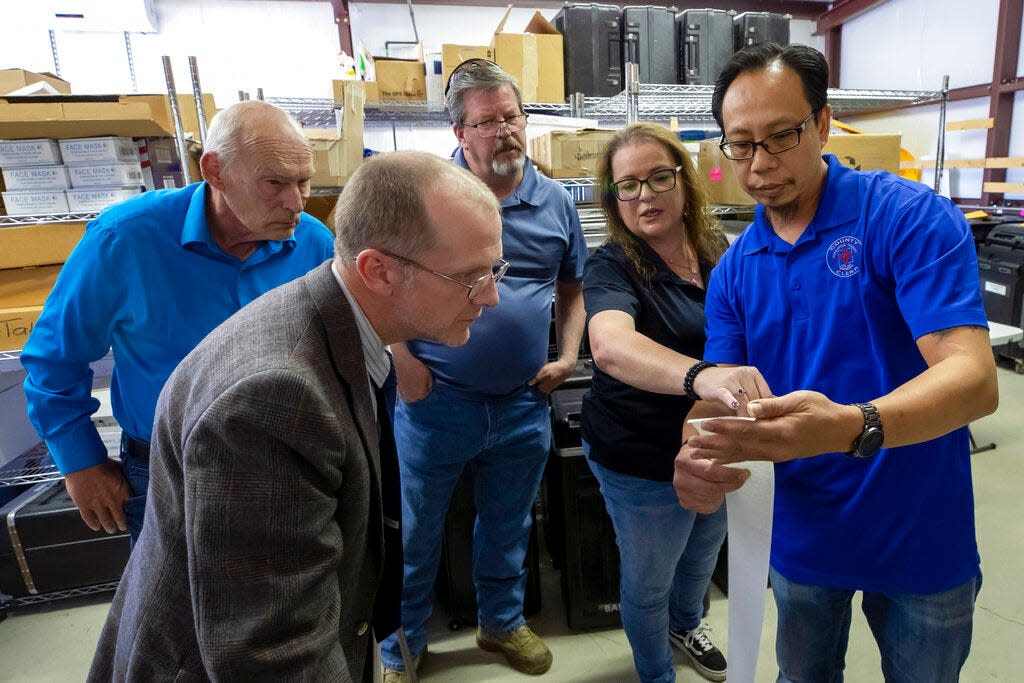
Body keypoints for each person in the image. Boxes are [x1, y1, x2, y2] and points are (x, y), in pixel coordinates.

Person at [87, 151, 505, 681]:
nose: (491, 296)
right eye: (471, 277)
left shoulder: (337, 327)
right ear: (377, 270)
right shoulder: (276, 400)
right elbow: (274, 654)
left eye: (494, 268)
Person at [674, 43, 998, 682]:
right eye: (740, 144)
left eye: (782, 136)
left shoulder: (904, 219)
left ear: (822, 125)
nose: (760, 164)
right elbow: (721, 392)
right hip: (803, 539)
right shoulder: (737, 271)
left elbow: (974, 379)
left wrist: (850, 426)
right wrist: (696, 447)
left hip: (918, 533)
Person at [20, 100, 336, 545]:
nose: (296, 203)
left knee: (281, 599)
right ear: (216, 171)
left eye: (304, 182)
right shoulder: (125, 240)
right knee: (173, 607)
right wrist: (81, 462)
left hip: (284, 460)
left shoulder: (313, 244)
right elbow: (54, 359)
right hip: (169, 470)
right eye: (275, 183)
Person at [380, 59, 587, 680]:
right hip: (435, 401)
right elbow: (380, 286)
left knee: (508, 525)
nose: (504, 131)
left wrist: (569, 354)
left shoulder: (553, 201)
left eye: (512, 117)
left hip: (523, 402)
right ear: (459, 132)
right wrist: (404, 361)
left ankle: (499, 623)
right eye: (487, 121)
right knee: (415, 535)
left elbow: (573, 285)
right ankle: (401, 646)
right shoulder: (423, 198)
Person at [582, 123, 770, 683]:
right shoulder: (612, 265)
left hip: (713, 445)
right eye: (628, 185)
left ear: (684, 182)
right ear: (614, 199)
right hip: (638, 457)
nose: (645, 196)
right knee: (648, 580)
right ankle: (657, 673)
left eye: (659, 177)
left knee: (700, 555)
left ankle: (687, 626)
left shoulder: (720, 254)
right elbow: (609, 345)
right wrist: (702, 376)